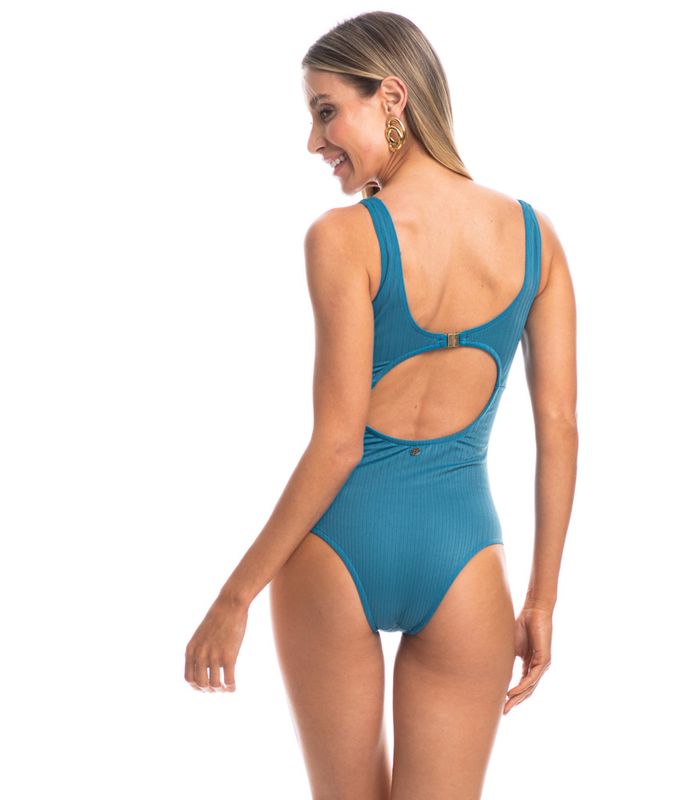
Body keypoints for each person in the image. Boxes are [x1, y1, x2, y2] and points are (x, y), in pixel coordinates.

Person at [185, 11, 577, 799]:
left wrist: (234, 598)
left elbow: (339, 445)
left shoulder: (344, 238)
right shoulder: (535, 238)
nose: (314, 141)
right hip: (466, 559)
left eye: (327, 110)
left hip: (337, 550)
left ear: (392, 98)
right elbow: (560, 429)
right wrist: (541, 598)